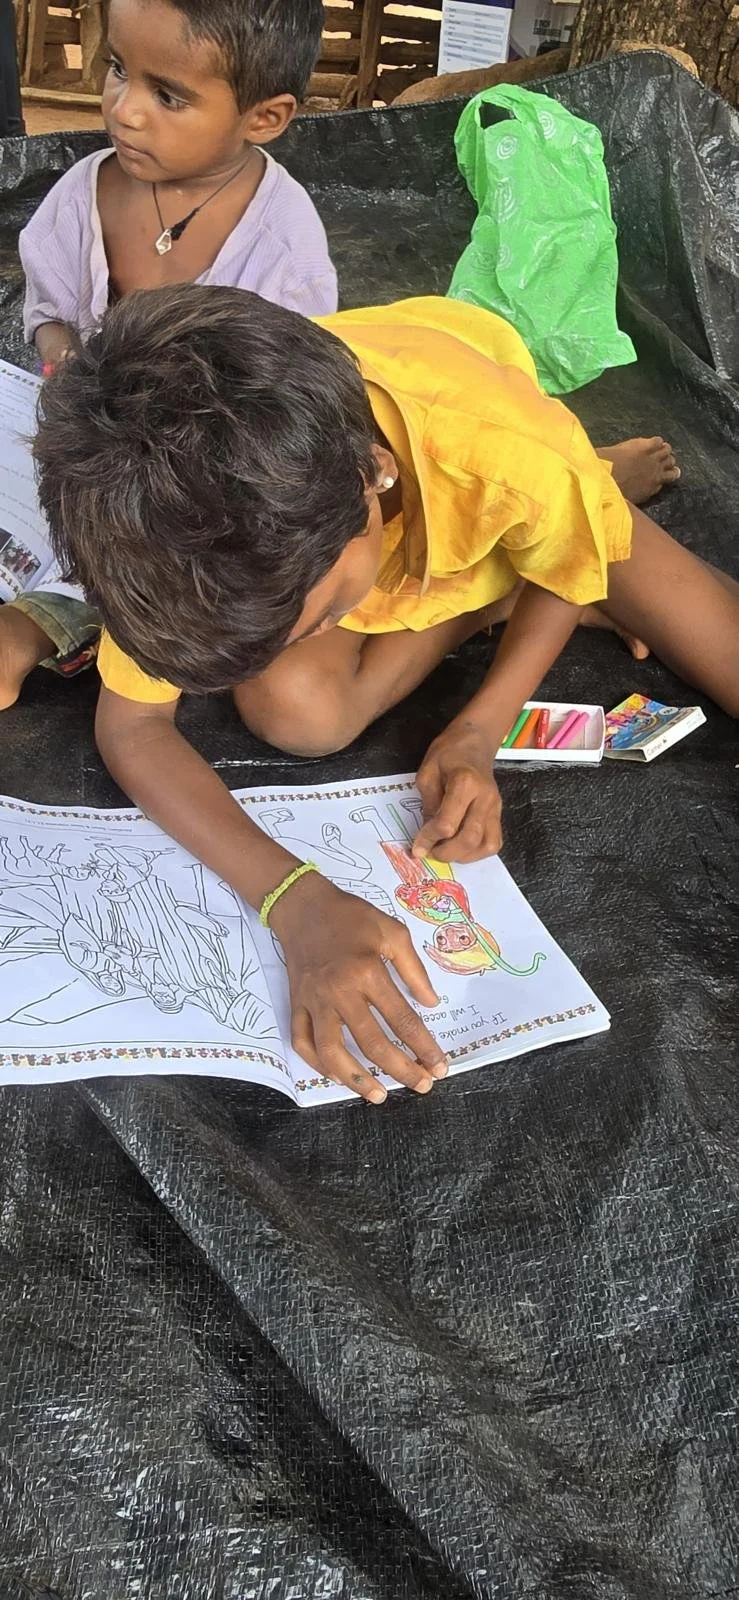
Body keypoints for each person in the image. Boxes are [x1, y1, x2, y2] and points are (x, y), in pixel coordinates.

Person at [33, 285, 739, 1104]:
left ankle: (592, 484)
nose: (284, 649)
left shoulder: (499, 452)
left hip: (500, 470)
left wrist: (479, 727)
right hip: (407, 527)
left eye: (317, 616)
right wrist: (292, 899)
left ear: (373, 476)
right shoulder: (160, 522)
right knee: (298, 712)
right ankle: (501, 577)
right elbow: (133, 727)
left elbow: (564, 568)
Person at [0, 0, 333, 710]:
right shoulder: (85, 193)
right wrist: (62, 359)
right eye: (119, 69)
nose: (124, 111)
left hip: (202, 461)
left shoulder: (279, 245)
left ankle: (37, 625)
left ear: (263, 118)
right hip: (83, 423)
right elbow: (49, 313)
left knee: (170, 548)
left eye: (168, 95)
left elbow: (279, 407)